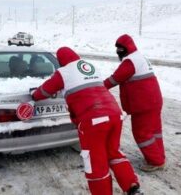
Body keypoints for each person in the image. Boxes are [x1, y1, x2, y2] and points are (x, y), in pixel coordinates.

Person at [31, 47, 142, 195]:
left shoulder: (63, 72)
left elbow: (45, 90)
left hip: (93, 120)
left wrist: (33, 95)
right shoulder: (89, 66)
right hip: (115, 114)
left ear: (60, 61)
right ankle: (132, 186)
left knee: (95, 162)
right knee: (113, 152)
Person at [103, 34, 166, 172]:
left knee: (142, 133)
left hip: (143, 105)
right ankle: (159, 157)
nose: (118, 52)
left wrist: (98, 88)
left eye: (120, 49)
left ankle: (155, 161)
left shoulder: (130, 62)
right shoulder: (139, 57)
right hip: (153, 101)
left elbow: (115, 79)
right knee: (154, 131)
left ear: (127, 48)